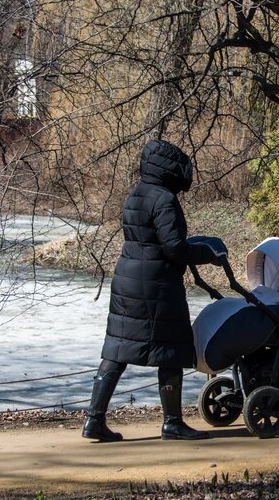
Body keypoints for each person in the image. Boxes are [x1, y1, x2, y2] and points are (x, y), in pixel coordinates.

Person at [82, 140, 223, 442]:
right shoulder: (164, 200)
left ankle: (93, 420)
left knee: (117, 347)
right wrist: (206, 254)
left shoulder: (135, 194)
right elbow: (174, 248)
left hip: (127, 278)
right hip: (156, 284)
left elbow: (149, 238)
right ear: (171, 170)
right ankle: (172, 423)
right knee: (172, 349)